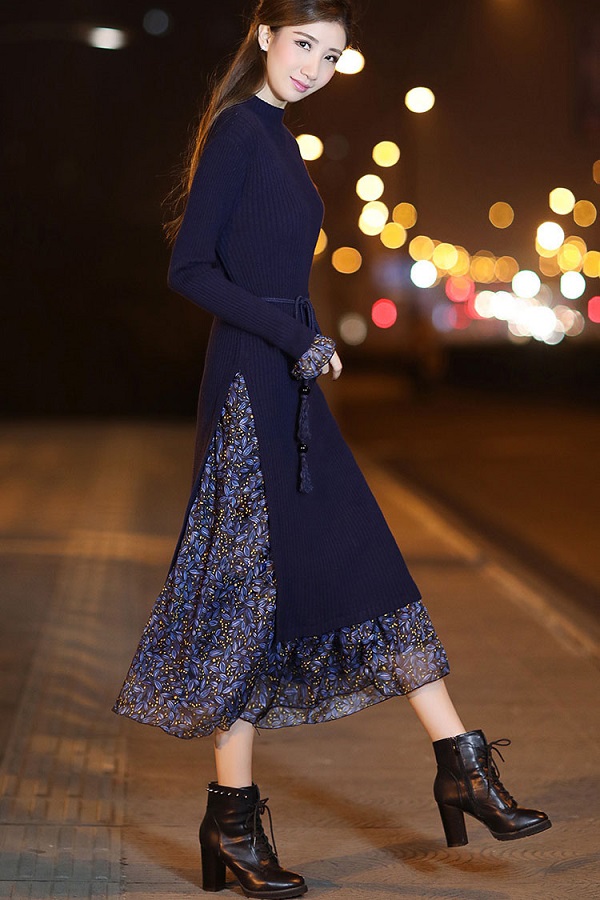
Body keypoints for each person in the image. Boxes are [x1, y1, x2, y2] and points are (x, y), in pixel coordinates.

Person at [113, 1, 551, 896]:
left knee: (364, 561)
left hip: (290, 383)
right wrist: (292, 336)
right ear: (265, 35)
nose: (314, 65)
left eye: (333, 54)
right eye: (304, 44)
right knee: (246, 600)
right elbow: (189, 269)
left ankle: (460, 764)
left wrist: (302, 343)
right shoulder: (240, 130)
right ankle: (235, 823)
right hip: (250, 389)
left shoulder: (277, 134)